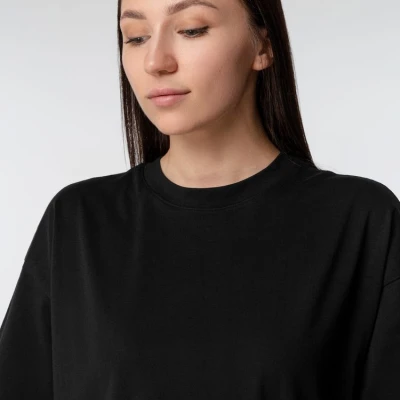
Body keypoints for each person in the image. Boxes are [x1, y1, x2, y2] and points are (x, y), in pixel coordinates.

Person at [1, 0, 399, 398]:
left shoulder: (361, 220)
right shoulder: (78, 222)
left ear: (263, 45)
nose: (155, 62)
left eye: (191, 29)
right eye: (136, 37)